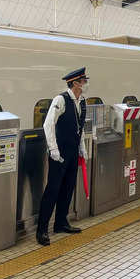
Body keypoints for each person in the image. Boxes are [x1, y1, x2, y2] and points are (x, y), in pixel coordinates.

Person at [36, 68, 89, 246]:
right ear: (75, 83)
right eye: (83, 81)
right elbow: (48, 124)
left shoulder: (82, 102)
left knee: (68, 188)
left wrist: (82, 148)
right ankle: (42, 230)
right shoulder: (61, 100)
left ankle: (61, 223)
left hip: (73, 152)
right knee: (53, 190)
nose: (85, 84)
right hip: (59, 154)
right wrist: (53, 149)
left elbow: (79, 128)